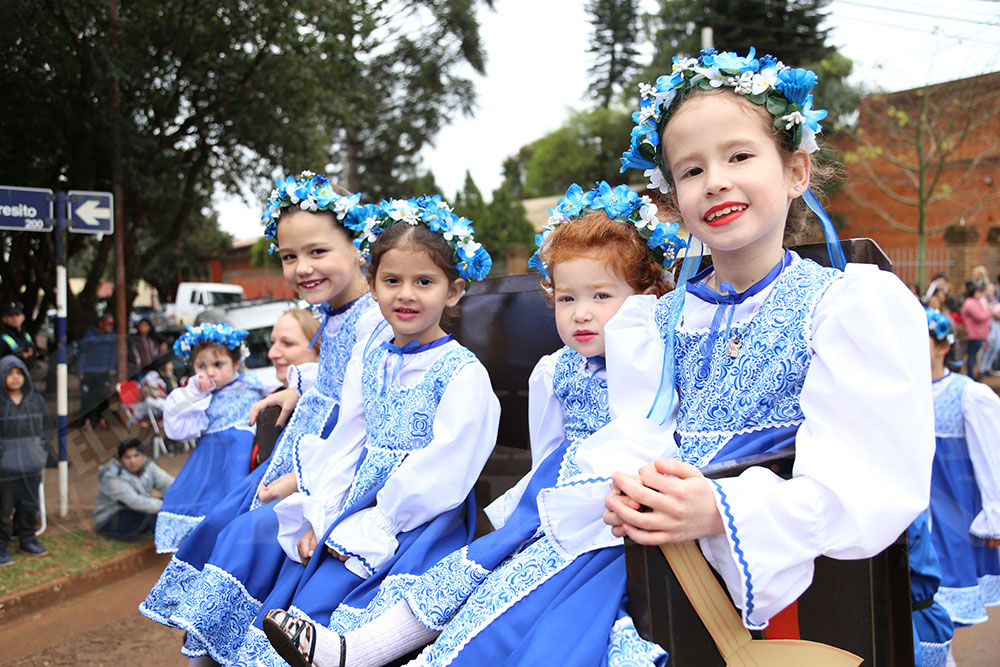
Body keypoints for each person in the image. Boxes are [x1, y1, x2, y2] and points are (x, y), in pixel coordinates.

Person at [260, 182, 685, 667]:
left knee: (527, 597)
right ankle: (356, 649)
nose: (580, 314)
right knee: (478, 573)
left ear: (648, 297)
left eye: (602, 295)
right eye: (566, 299)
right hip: (549, 500)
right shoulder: (556, 368)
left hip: (612, 506)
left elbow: (650, 424)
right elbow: (548, 446)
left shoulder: (655, 356)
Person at [166, 195, 498, 667]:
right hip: (351, 499)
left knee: (331, 593)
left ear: (454, 291)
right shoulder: (373, 357)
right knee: (291, 562)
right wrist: (319, 514)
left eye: (424, 281)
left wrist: (376, 526)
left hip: (415, 518)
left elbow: (446, 468)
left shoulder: (463, 374)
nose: (406, 294)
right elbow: (347, 442)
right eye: (392, 281)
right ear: (373, 284)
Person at [139, 173, 383, 653]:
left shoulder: (374, 320)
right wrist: (298, 389)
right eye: (290, 256)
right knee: (221, 526)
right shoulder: (335, 314)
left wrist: (307, 485)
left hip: (330, 468)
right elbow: (333, 380)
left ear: (358, 246)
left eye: (317, 251)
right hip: (295, 454)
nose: (301, 267)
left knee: (247, 541)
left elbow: (367, 410)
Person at [154, 322, 267, 553]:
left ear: (236, 363)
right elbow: (175, 425)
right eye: (201, 366)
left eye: (218, 364)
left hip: (245, 455)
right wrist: (196, 391)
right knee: (206, 505)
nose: (210, 372)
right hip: (212, 458)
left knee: (239, 504)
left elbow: (284, 388)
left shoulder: (252, 384)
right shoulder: (199, 397)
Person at [925, 308, 1000, 627]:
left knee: (940, 610)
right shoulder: (900, 394)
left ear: (943, 346)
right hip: (913, 520)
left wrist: (995, 513)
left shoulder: (968, 395)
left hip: (951, 516)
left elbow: (992, 456)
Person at [250, 307, 322, 470]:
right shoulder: (273, 396)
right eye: (273, 342)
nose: (271, 353)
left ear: (321, 350)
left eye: (288, 343)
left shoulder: (332, 407)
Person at [0, 355, 51, 564]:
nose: (15, 378)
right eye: (10, 374)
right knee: (3, 508)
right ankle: (2, 546)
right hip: (4, 467)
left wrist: (40, 450)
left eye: (19, 374)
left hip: (31, 463)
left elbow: (47, 427)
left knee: (29, 505)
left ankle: (28, 539)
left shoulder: (35, 400)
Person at [94, 438, 175, 540]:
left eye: (136, 456)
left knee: (168, 510)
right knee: (151, 518)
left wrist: (186, 497)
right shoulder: (113, 476)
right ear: (121, 460)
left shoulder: (148, 466)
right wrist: (170, 506)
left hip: (134, 509)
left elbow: (171, 485)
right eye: (127, 457)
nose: (133, 461)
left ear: (144, 456)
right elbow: (136, 502)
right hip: (112, 517)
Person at [77, 313, 118, 430]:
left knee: (103, 396)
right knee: (87, 398)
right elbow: (83, 354)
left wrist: (111, 368)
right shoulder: (89, 336)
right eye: (107, 324)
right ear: (101, 324)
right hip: (89, 372)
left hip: (104, 372)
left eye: (111, 324)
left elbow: (113, 354)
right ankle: (87, 421)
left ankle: (102, 420)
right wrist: (80, 371)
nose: (110, 327)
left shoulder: (112, 336)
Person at [960, 281, 989, 380]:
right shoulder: (970, 303)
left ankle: (972, 375)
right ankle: (971, 376)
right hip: (973, 334)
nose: (980, 295)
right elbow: (980, 316)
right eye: (979, 292)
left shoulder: (973, 302)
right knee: (971, 357)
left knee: (974, 357)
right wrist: (988, 312)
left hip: (977, 334)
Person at [0, 301, 36, 370]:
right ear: (4, 319)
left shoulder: (26, 335)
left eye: (17, 314)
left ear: (23, 317)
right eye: (10, 315)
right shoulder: (2, 337)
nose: (14, 318)